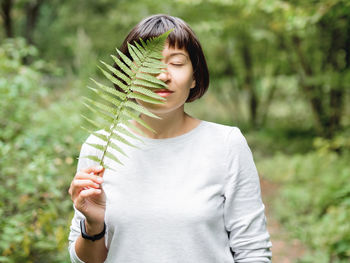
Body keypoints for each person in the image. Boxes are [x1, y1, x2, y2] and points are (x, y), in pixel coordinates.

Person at [68, 14, 272, 263]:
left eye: (176, 63)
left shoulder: (226, 144)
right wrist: (93, 223)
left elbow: (253, 251)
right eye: (149, 64)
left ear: (194, 76)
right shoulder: (100, 148)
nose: (162, 75)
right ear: (128, 77)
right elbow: (85, 261)